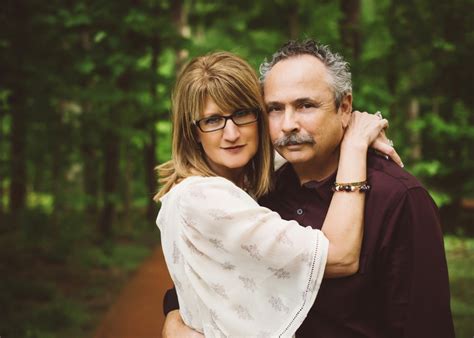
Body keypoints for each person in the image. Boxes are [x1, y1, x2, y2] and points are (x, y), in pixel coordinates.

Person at [162, 40, 455, 337]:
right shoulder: (261, 193)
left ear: (344, 108)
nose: (288, 124)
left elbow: (425, 324)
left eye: (306, 105)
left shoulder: (397, 198)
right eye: (275, 109)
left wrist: (357, 142)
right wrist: (174, 316)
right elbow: (216, 276)